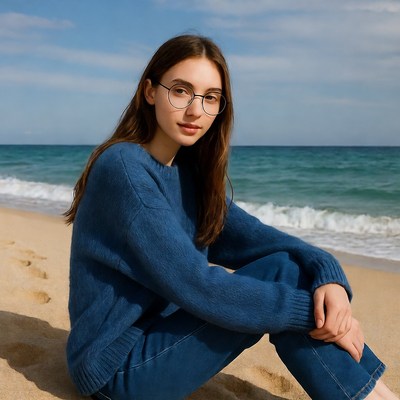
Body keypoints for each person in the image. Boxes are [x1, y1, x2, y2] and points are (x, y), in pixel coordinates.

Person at [64, 34, 398, 400]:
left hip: (160, 340)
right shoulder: (124, 168)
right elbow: (197, 285)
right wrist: (319, 318)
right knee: (288, 281)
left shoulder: (188, 175)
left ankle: (374, 393)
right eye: (180, 91)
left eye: (210, 98)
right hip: (117, 369)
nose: (195, 111)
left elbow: (264, 240)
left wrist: (328, 274)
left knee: (288, 265)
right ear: (149, 91)